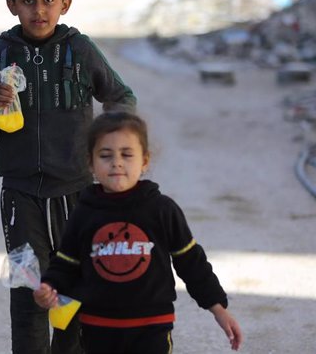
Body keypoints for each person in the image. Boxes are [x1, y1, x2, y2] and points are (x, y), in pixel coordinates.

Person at [0, 0, 136, 354]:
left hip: (77, 194)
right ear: (11, 5)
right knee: (28, 291)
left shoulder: (80, 51)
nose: (38, 10)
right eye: (27, 0)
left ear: (65, 3)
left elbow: (121, 97)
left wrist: (115, 150)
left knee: (72, 293)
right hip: (20, 197)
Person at [33, 111, 244, 353]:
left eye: (127, 154)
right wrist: (49, 286)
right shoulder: (84, 213)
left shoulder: (162, 210)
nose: (117, 162)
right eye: (105, 155)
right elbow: (66, 263)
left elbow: (192, 263)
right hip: (97, 329)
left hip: (151, 327)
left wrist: (218, 308)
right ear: (90, 163)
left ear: (144, 161)